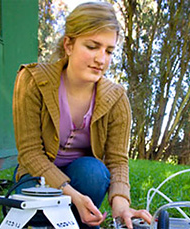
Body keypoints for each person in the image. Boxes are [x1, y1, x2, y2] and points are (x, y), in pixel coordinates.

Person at [12, 1, 152, 229]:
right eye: (92, 46)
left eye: (108, 51)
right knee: (35, 211)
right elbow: (29, 153)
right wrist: (72, 196)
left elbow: (117, 160)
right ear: (68, 44)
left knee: (94, 173)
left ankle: (76, 219)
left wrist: (121, 205)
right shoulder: (33, 81)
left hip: (83, 179)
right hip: (36, 179)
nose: (101, 59)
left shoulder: (116, 98)